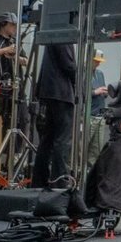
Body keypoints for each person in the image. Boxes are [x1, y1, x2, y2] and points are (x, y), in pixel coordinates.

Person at [33, 42, 76, 189]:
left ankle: (39, 182)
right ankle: (60, 183)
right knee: (62, 140)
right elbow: (69, 65)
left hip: (48, 92)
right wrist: (80, 83)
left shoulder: (52, 32)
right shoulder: (63, 34)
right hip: (61, 92)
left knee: (47, 140)